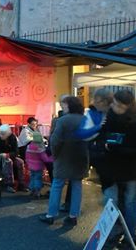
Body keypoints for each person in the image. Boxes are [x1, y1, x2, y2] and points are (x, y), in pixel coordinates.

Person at [96, 90, 136, 248]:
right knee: (112, 203)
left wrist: (118, 149)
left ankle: (130, 237)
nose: (115, 107)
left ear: (129, 106)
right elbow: (102, 136)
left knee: (129, 203)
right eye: (114, 104)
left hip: (131, 170)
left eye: (120, 105)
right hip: (112, 169)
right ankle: (114, 233)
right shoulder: (110, 117)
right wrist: (104, 143)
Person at [40, 96, 89, 227]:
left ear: (70, 106)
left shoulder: (63, 121)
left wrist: (55, 155)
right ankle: (73, 216)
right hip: (80, 157)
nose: (63, 108)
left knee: (57, 185)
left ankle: (51, 215)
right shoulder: (85, 120)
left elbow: (55, 141)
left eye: (64, 106)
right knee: (77, 186)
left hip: (64, 156)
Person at [19, 117, 52, 199]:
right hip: (37, 164)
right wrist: (51, 158)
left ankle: (32, 190)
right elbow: (44, 158)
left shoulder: (30, 146)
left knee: (33, 176)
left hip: (30, 162)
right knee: (37, 178)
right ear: (29, 124)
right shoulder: (25, 131)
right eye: (33, 124)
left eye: (36, 124)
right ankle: (37, 191)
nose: (35, 126)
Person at [0, 124, 27, 193]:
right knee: (8, 162)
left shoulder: (12, 138)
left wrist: (8, 155)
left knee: (20, 162)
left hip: (10, 155)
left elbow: (16, 151)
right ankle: (9, 184)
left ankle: (21, 184)